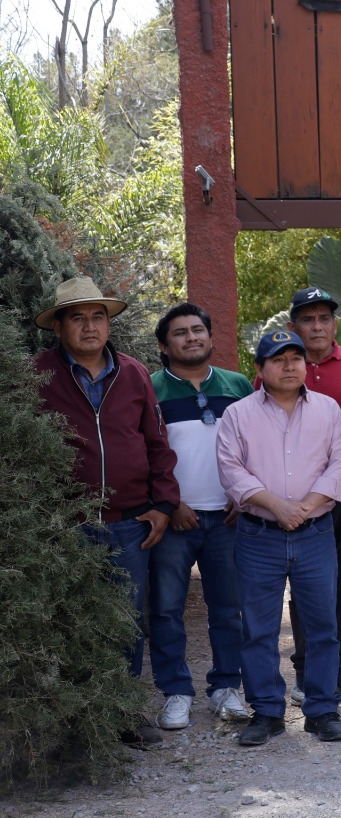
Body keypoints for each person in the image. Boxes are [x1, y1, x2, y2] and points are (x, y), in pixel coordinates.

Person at [34, 276, 180, 746]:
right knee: (72, 620)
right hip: (65, 527)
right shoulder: (37, 374)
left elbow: (158, 445)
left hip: (129, 524)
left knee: (125, 620)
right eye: (77, 317)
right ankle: (81, 720)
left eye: (98, 316)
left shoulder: (133, 373)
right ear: (59, 327)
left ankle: (123, 714)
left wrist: (162, 505)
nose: (90, 326)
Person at [217, 330, 341, 747]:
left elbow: (339, 464)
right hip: (259, 536)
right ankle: (268, 712)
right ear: (258, 370)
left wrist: (303, 507)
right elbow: (231, 470)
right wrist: (278, 506)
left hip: (315, 534)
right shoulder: (238, 415)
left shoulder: (328, 409)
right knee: (257, 628)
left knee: (322, 626)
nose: (289, 365)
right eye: (278, 359)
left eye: (296, 358)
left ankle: (322, 710)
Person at [148, 302, 254, 730]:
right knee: (166, 609)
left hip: (228, 519)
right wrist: (170, 504)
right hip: (174, 521)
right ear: (164, 344)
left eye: (198, 330)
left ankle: (227, 687)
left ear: (210, 338)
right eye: (180, 332)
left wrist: (245, 496)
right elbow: (143, 454)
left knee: (229, 609)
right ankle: (176, 691)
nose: (191, 337)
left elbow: (258, 444)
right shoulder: (149, 387)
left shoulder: (238, 385)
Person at [283, 286, 341, 707]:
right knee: (305, 584)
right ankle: (306, 667)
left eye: (324, 318)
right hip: (298, 497)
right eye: (308, 319)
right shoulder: (281, 366)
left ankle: (340, 664)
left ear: (335, 325)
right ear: (294, 327)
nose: (317, 326)